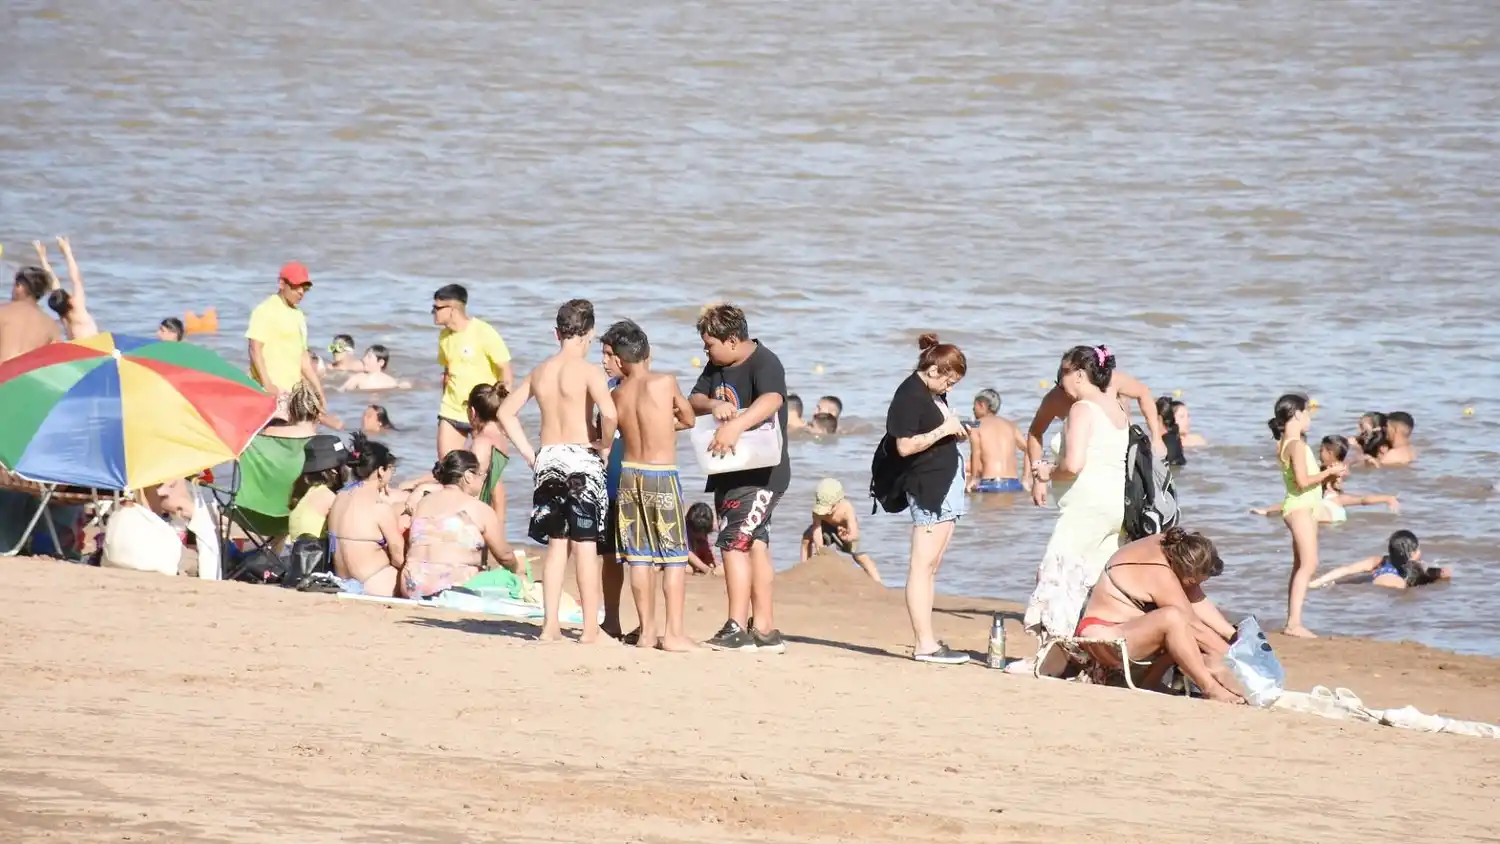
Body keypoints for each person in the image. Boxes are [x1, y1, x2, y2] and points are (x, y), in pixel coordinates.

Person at [497, 299, 616, 644]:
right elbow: (610, 414)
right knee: (585, 546)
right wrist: (603, 443)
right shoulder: (590, 371)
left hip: (549, 457)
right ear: (590, 333)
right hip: (581, 459)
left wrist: (529, 454)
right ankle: (590, 629)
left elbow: (505, 413)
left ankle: (550, 626)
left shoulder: (540, 371)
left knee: (557, 545)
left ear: (556, 333)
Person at [1020, 346, 1132, 673]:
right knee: (1094, 583)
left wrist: (1046, 472)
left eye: (1063, 374)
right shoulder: (1117, 406)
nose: (1060, 382)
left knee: (1058, 575)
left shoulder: (1082, 408)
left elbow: (1073, 464)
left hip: (1086, 507)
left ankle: (1048, 662)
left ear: (1080, 374)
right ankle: (1089, 661)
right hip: (1115, 507)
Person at [689, 304, 790, 653]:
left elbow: (773, 399)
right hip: (729, 471)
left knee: (732, 543)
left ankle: (735, 627)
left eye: (710, 345)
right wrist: (713, 405)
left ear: (732, 340)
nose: (706, 352)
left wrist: (736, 425)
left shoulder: (765, 362)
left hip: (762, 474)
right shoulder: (717, 366)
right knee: (756, 544)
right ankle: (764, 629)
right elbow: (694, 398)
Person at [603, 319, 696, 651]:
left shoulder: (617, 393)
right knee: (674, 557)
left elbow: (608, 433)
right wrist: (665, 425)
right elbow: (689, 418)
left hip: (629, 474)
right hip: (661, 473)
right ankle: (673, 635)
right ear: (647, 353)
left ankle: (646, 633)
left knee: (639, 556)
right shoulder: (665, 382)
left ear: (621, 359)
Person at [1075, 528, 1243, 704]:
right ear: (1186, 571)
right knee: (1174, 619)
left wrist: (1233, 635)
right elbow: (1194, 626)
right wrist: (1237, 658)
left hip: (1128, 630)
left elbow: (1196, 600)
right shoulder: (1159, 573)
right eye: (1195, 581)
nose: (1197, 586)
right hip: (1103, 637)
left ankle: (1150, 683)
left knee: (1184, 626)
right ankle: (1211, 688)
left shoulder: (1173, 545)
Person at [884, 333, 970, 664]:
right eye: (949, 381)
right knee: (922, 566)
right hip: (927, 486)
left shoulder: (930, 393)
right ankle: (924, 643)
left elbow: (932, 431)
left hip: (943, 482)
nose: (950, 387)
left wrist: (954, 432)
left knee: (931, 566)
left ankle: (928, 639)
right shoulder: (909, 395)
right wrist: (945, 430)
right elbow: (904, 445)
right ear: (933, 369)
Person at [1025, 363, 1164, 506]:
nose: (1069, 393)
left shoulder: (1110, 381)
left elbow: (1143, 392)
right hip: (1081, 475)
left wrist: (1156, 436)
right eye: (1062, 386)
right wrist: (1038, 478)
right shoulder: (1056, 398)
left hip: (1120, 464)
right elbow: (1035, 432)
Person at [1269, 393, 1347, 639]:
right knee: (1309, 564)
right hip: (1300, 508)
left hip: (1302, 506)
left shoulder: (1287, 443)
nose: (1310, 420)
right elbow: (1303, 482)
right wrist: (1329, 473)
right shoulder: (1297, 445)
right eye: (1307, 414)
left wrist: (1328, 475)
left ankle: (1293, 621)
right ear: (1297, 414)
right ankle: (1294, 624)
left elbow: (1301, 480)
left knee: (1300, 565)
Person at [404, 450, 519, 599]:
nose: (482, 480)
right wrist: (517, 569)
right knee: (512, 581)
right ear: (468, 476)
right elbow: (504, 556)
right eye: (480, 475)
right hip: (450, 590)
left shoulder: (422, 503)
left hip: (411, 587)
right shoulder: (479, 508)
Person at [434, 284, 514, 461]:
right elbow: (447, 372)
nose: (433, 312)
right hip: (451, 410)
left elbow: (506, 372)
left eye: (437, 308)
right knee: (447, 467)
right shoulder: (444, 336)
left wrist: (504, 411)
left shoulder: (484, 332)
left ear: (452, 309)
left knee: (488, 471)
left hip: (483, 411)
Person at [326, 434, 406, 596]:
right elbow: (398, 558)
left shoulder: (339, 497)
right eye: (391, 469)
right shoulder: (379, 507)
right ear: (381, 471)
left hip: (341, 580)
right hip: (374, 583)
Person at [1252, 435, 1398, 523]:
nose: (1319, 452)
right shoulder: (1336, 495)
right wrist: (1387, 498)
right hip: (1332, 517)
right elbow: (1362, 500)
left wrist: (1266, 510)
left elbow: (1289, 504)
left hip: (1322, 513)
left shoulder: (1327, 482)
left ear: (1330, 452)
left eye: (1321, 450)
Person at [246, 262, 325, 420]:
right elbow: (254, 349)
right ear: (282, 284)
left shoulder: (299, 315)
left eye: (305, 288)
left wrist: (319, 393)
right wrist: (268, 384)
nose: (301, 292)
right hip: (268, 391)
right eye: (296, 286)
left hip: (292, 394)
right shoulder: (265, 310)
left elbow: (303, 359)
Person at [799, 478, 882, 584]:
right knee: (806, 539)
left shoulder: (846, 509)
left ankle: (878, 582)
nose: (826, 512)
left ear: (838, 502)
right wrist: (820, 549)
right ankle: (804, 568)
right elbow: (817, 528)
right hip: (826, 528)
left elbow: (855, 533)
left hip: (845, 531)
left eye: (830, 508)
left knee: (860, 556)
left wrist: (848, 538)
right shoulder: (818, 511)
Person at [1311, 530, 1450, 590]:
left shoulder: (1380, 560)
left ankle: (1317, 584)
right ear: (1413, 553)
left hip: (1376, 578)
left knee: (1345, 582)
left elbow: (1347, 569)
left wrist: (1318, 582)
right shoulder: (1419, 568)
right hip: (1395, 584)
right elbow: (1445, 573)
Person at [466, 382, 512, 537]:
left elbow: (471, 487)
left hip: (477, 514)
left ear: (472, 411)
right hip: (491, 510)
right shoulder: (501, 438)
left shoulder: (481, 443)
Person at [34, 237, 99, 340]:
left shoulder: (62, 314)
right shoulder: (77, 306)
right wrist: (67, 252)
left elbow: (52, 283)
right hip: (93, 345)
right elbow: (76, 279)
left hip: (75, 346)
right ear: (69, 300)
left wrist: (43, 259)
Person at [288, 435, 348, 541]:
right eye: (345, 465)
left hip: (298, 549)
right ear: (334, 471)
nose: (348, 469)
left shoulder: (306, 491)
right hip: (315, 550)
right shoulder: (328, 497)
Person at [966, 388, 1027, 493]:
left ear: (981, 405)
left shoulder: (976, 425)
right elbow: (1029, 450)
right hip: (1014, 484)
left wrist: (973, 479)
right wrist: (1026, 478)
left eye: (974, 407)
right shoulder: (1011, 425)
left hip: (990, 484)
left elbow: (976, 453)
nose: (973, 410)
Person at [0, 266, 60, 363]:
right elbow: (55, 360)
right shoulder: (51, 325)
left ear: (19, 286)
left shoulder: (2, 311)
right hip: (27, 372)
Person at [1155, 397, 1207, 467]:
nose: (1187, 421)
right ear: (1170, 419)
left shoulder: (1197, 439)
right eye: (1182, 417)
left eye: (1188, 416)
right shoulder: (1162, 443)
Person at [338, 345, 412, 391]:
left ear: (381, 362)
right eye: (364, 356)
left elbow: (342, 390)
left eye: (369, 357)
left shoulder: (359, 378)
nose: (364, 359)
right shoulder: (392, 381)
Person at [684, 502, 719, 575]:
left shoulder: (711, 525)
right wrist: (706, 569)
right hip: (681, 552)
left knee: (712, 563)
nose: (700, 535)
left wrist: (712, 562)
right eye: (696, 532)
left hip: (698, 549)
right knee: (686, 568)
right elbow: (686, 551)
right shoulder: (683, 527)